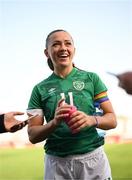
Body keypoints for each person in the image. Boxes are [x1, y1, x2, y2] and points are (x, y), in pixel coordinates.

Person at [27, 29, 117, 180]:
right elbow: (32, 135)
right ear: (47, 53)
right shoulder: (39, 89)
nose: (63, 48)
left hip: (93, 160)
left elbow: (112, 119)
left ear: (73, 50)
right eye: (56, 44)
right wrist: (54, 123)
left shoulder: (92, 79)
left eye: (67, 43)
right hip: (56, 164)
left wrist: (92, 120)